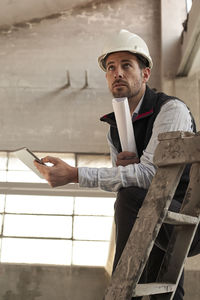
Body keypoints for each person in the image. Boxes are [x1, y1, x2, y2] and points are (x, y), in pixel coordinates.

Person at [34, 29, 200, 299]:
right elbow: (121, 183)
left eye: (126, 65)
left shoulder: (170, 110)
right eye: (111, 67)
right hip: (154, 217)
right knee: (165, 290)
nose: (117, 73)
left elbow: (150, 177)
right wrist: (123, 172)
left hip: (186, 220)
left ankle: (124, 290)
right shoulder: (115, 127)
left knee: (132, 196)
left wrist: (76, 174)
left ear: (145, 74)